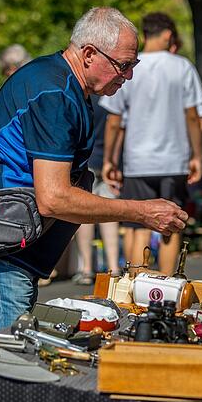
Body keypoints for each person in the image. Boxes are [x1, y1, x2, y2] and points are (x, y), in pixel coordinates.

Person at [0, 7, 188, 335]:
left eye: (134, 64)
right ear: (89, 53)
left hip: (3, 240)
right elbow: (54, 198)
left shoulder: (57, 80)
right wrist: (141, 211)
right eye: (124, 64)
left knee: (1, 358)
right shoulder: (55, 93)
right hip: (1, 250)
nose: (128, 75)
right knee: (2, 362)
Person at [100, 12, 202, 274]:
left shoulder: (128, 67)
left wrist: (109, 160)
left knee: (136, 225)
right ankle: (168, 285)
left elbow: (115, 121)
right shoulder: (182, 67)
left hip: (137, 161)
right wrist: (197, 155)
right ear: (168, 35)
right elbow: (193, 115)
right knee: (171, 224)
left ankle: (136, 283)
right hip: (174, 159)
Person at [73, 95, 121, 285]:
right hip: (110, 161)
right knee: (110, 213)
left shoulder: (84, 98)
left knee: (85, 215)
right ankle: (113, 267)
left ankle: (86, 268)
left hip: (87, 160)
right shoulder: (114, 99)